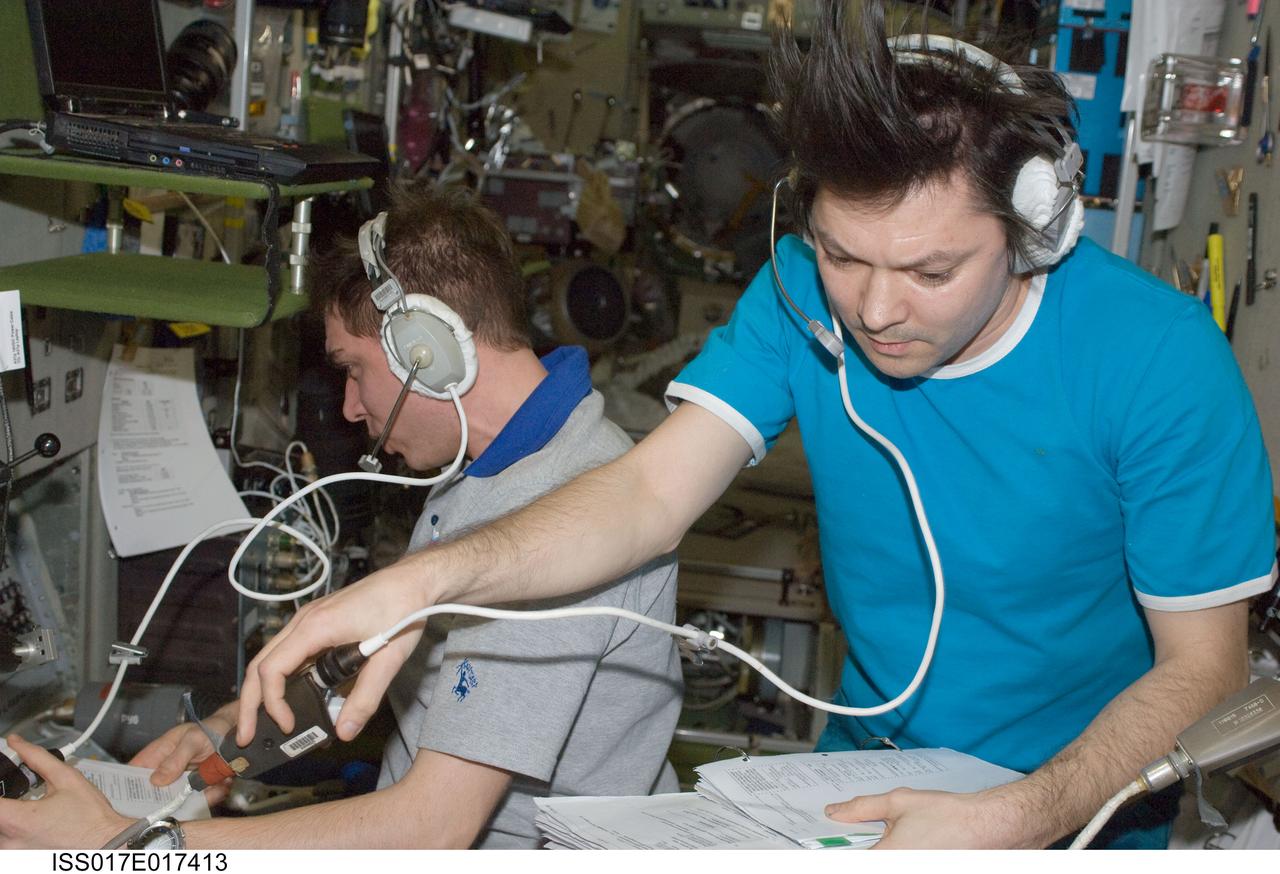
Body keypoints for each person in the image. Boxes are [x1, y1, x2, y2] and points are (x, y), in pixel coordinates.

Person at [233, 1, 1271, 850]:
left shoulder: (1156, 362)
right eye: (841, 252)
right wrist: (425, 579)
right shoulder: (794, 298)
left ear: (1033, 224)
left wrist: (1020, 816)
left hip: (1076, 812)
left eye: (928, 270)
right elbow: (643, 494)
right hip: (853, 792)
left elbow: (1203, 668)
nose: (870, 309)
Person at [0, 185, 682, 850]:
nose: (351, 407)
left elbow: (432, 830)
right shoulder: (497, 467)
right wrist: (223, 740)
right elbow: (374, 683)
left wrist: (125, 845)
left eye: (353, 369)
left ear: (427, 350)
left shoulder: (553, 515)